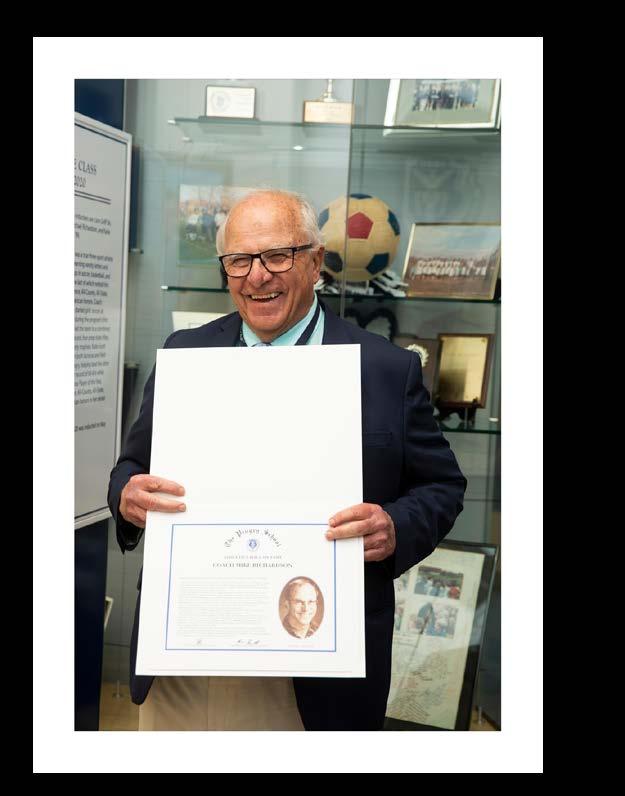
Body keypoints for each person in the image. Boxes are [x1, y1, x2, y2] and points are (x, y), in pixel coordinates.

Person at [108, 188, 466, 731]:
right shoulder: (185, 353)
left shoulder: (386, 369)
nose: (257, 276)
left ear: (316, 262)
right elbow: (130, 468)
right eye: (239, 260)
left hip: (314, 674)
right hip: (185, 655)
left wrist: (395, 526)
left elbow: (442, 486)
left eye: (277, 256)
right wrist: (128, 494)